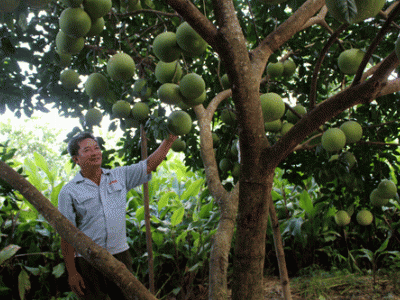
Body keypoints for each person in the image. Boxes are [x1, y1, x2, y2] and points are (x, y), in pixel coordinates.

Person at [58, 131, 177, 300]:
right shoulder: (69, 191)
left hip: (120, 255)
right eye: (87, 150)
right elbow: (66, 233)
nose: (95, 153)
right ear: (76, 159)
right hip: (88, 260)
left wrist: (169, 140)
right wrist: (72, 272)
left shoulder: (119, 176)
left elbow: (148, 165)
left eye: (96, 148)